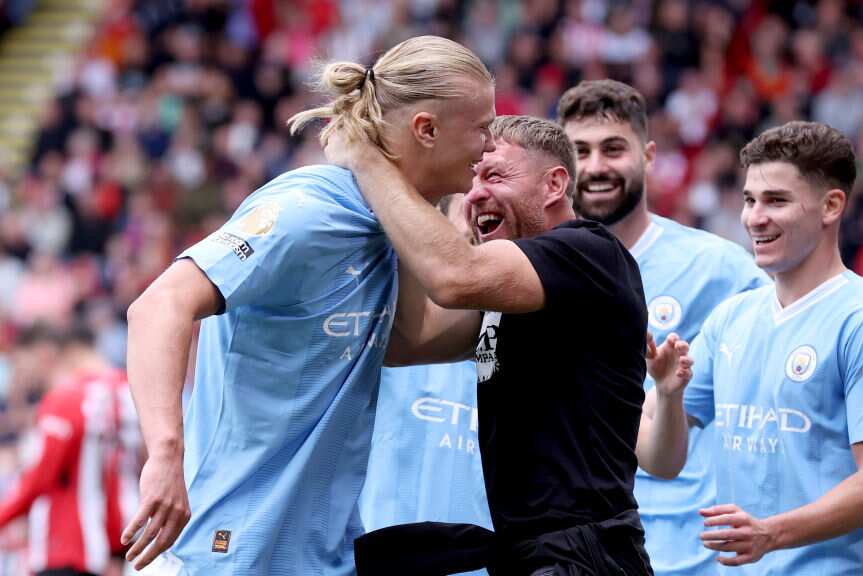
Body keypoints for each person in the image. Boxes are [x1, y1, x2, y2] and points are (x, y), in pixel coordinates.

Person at [122, 36, 496, 575]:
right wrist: (164, 453)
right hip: (224, 547)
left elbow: (413, 340)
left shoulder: (393, 231)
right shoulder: (307, 211)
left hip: (319, 555)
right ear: (427, 130)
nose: (488, 144)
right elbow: (158, 306)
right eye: (482, 126)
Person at [330, 115, 654, 575]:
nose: (475, 193)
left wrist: (373, 161)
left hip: (585, 556)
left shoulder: (589, 252)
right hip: (530, 555)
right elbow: (408, 341)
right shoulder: (508, 296)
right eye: (473, 177)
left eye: (496, 174)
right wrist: (409, 200)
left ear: (554, 184)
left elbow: (453, 277)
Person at [637, 121, 863, 574]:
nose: (754, 217)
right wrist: (668, 397)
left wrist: (772, 534)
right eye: (750, 200)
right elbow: (661, 460)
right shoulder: (731, 319)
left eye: (777, 201)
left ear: (831, 206)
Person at [557, 79, 769, 575]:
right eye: (579, 151)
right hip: (571, 545)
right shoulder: (535, 267)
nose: (595, 167)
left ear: (648, 155)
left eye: (613, 149)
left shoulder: (719, 269)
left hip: (685, 551)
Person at [357, 193, 490, 576]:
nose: (471, 266)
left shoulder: (518, 347)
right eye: (462, 246)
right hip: (377, 561)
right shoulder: (388, 332)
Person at [0, 323, 140, 576]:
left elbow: (39, 477)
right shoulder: (130, 390)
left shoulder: (68, 398)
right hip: (123, 538)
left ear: (47, 355)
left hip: (69, 547)